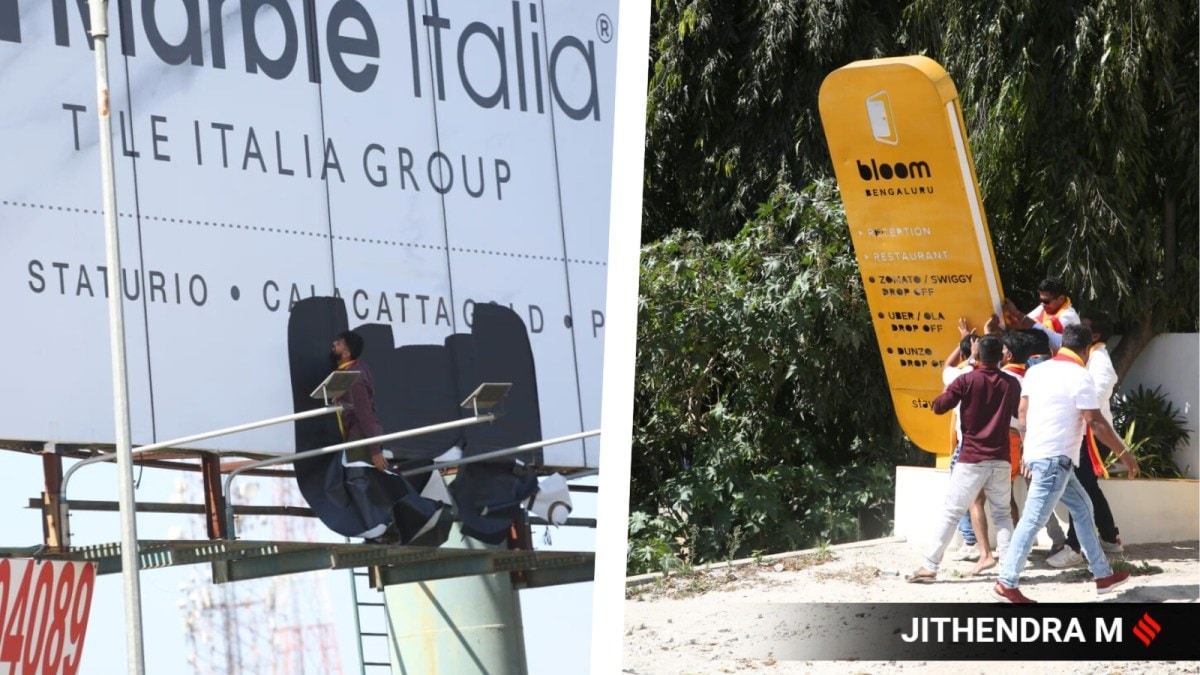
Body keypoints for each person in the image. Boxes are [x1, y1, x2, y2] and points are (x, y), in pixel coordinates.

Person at [992, 324, 1139, 603]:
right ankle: (1006, 581)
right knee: (1033, 519)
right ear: (1086, 350)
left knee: (1084, 509)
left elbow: (1023, 414)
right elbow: (1094, 421)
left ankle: (1103, 574)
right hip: (1055, 459)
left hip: (1047, 456)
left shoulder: (1036, 371)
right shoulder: (1080, 375)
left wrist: (1028, 452)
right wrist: (1125, 454)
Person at [906, 335, 1021, 582]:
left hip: (971, 458)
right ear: (1002, 356)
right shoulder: (1011, 384)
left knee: (952, 512)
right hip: (1001, 457)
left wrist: (967, 363)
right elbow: (1015, 414)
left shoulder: (965, 380)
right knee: (1002, 514)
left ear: (977, 355)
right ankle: (1009, 570)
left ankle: (930, 566)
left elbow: (938, 406)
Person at [1046, 311, 1125, 567]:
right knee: (1086, 487)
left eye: (1085, 326)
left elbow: (1097, 395)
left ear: (1096, 335)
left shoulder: (1100, 360)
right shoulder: (1087, 355)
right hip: (1082, 432)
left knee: (1080, 488)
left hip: (1090, 434)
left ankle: (1075, 546)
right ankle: (1110, 539)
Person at [329, 330, 397, 543]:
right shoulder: (354, 369)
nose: (334, 344)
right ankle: (381, 529)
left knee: (358, 481)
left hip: (361, 436)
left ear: (347, 353)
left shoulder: (355, 377)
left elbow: (364, 412)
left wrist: (374, 448)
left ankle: (378, 530)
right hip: (363, 434)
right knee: (367, 481)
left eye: (338, 343)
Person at [1002, 277, 1080, 353]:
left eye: (1046, 301)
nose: (1042, 304)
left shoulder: (1069, 316)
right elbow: (1026, 322)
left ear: (1061, 299)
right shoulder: (1044, 307)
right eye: (1041, 300)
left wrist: (1017, 314)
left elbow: (1049, 338)